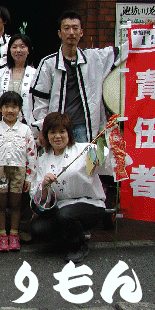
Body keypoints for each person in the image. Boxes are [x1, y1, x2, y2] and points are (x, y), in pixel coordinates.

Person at [30, 10, 127, 142]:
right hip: (58, 128)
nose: (71, 32)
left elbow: (122, 51)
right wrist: (42, 127)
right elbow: (39, 99)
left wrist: (149, 31)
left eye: (75, 28)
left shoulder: (94, 58)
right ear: (59, 33)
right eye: (66, 28)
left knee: (84, 156)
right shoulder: (48, 63)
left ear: (81, 32)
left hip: (84, 127)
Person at [31, 112, 110, 263]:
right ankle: (71, 234)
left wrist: (112, 151)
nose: (57, 136)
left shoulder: (86, 149)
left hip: (90, 204)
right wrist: (44, 186)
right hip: (61, 207)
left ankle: (78, 246)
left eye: (62, 131)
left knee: (66, 215)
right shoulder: (43, 159)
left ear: (69, 133)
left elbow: (109, 162)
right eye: (52, 132)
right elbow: (39, 198)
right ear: (46, 135)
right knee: (38, 228)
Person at [0, 91, 37, 252]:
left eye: (14, 107)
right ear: (0, 109)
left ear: (20, 109)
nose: (10, 110)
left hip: (19, 171)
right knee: (0, 204)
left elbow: (32, 154)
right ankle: (1, 235)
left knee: (15, 204)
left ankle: (14, 234)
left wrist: (29, 178)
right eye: (6, 106)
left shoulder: (25, 130)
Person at [0, 34, 37, 134]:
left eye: (22, 47)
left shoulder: (35, 74)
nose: (18, 50)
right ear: (9, 50)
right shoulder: (0, 73)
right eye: (14, 47)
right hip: (3, 124)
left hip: (28, 125)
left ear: (28, 50)